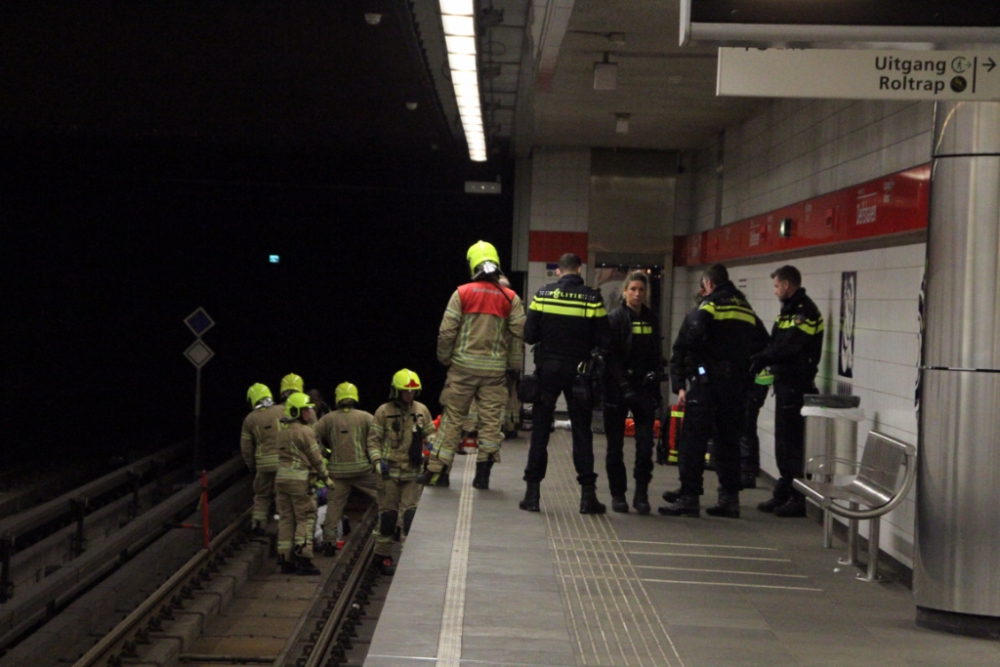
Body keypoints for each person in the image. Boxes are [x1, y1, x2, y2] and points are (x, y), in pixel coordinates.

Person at [659, 263, 768, 519]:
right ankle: (729, 499)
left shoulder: (710, 305)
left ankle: (689, 496)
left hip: (707, 385)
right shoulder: (745, 308)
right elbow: (764, 343)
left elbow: (691, 338)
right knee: (728, 442)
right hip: (735, 388)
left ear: (708, 283)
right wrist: (746, 370)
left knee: (693, 441)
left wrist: (698, 369)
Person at [422, 241, 525, 490]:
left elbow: (446, 333)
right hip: (494, 373)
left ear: (472, 264)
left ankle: (439, 473)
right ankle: (483, 476)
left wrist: (445, 358)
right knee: (491, 422)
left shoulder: (462, 293)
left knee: (452, 419)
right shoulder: (510, 298)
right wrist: (512, 367)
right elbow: (518, 336)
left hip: (462, 370)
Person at [520, 252, 611, 514]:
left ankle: (532, 494)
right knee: (582, 431)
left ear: (558, 272)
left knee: (540, 430)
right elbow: (605, 339)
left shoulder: (543, 295)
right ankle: (587, 497)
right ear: (579, 270)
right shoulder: (592, 297)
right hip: (579, 373)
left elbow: (529, 335)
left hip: (547, 370)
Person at [750, 265, 824, 517]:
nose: (774, 291)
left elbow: (789, 347)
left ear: (787, 285)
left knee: (792, 443)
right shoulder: (789, 311)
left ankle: (797, 498)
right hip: (785, 384)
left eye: (776, 286)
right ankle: (784, 491)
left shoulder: (805, 312)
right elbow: (776, 342)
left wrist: (761, 358)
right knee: (783, 441)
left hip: (796, 385)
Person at [603, 271, 663, 515]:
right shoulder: (615, 318)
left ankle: (641, 493)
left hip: (644, 387)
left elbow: (656, 354)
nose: (637, 294)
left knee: (645, 444)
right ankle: (618, 494)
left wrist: (655, 381)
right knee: (615, 445)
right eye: (633, 289)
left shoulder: (651, 319)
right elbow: (610, 356)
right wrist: (623, 385)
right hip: (617, 387)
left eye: (642, 290)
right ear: (625, 291)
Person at [368, 369, 436, 575]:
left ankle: (408, 560)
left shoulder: (421, 410)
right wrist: (378, 461)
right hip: (389, 474)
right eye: (405, 391)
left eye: (413, 391)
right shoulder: (383, 412)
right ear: (396, 391)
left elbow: (430, 432)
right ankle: (382, 555)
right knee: (388, 517)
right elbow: (373, 441)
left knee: (410, 517)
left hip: (412, 474)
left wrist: (433, 445)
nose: (409, 395)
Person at [312, 382, 377, 555]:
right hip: (362, 470)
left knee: (334, 507)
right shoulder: (366, 417)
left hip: (337, 472)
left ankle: (329, 543)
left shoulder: (328, 418)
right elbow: (379, 437)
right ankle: (391, 528)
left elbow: (310, 436)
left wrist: (325, 453)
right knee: (385, 494)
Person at [275, 392, 332, 575]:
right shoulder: (306, 431)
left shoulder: (282, 432)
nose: (309, 412)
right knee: (305, 518)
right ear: (295, 411)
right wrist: (327, 479)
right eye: (305, 409)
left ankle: (285, 559)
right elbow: (316, 458)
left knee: (286, 519)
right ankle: (303, 559)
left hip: (281, 480)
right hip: (300, 481)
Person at [240, 383, 285, 535]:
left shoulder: (250, 419)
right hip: (283, 462)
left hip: (263, 464)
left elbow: (246, 448)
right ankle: (283, 527)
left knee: (261, 496)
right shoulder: (282, 410)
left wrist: (251, 466)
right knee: (282, 495)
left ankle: (258, 525)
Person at [740, 370, 773, 489]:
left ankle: (748, 472)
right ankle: (747, 471)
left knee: (746, 428)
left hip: (755, 382)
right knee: (746, 428)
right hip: (754, 381)